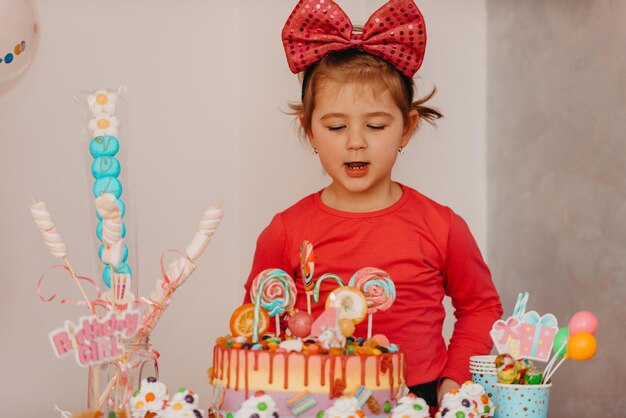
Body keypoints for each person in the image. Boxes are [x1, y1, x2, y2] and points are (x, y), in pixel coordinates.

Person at [243, 0, 503, 409]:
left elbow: (482, 307)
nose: (356, 141)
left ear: (407, 127)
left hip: (419, 398)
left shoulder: (443, 226)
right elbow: (258, 323)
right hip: (312, 401)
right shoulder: (285, 231)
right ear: (309, 131)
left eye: (376, 125)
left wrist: (454, 380)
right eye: (336, 126)